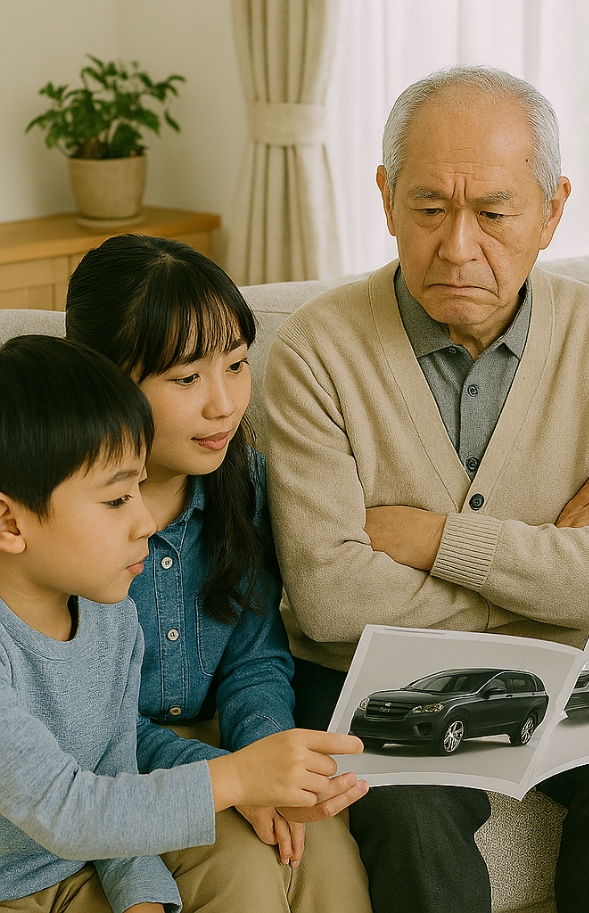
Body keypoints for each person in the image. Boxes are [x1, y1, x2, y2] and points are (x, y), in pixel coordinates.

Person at [265, 65, 589, 913]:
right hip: (380, 677)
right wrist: (554, 570)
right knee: (406, 813)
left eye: (494, 214)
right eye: (429, 208)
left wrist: (437, 540)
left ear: (552, 210)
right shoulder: (317, 351)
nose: (458, 246)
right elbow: (328, 596)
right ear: (386, 198)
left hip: (570, 673)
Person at [0, 334, 366, 913]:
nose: (146, 521)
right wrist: (235, 778)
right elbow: (69, 810)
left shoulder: (110, 619)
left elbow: (118, 779)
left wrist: (142, 898)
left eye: (138, 489)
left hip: (78, 869)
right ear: (8, 522)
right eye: (117, 500)